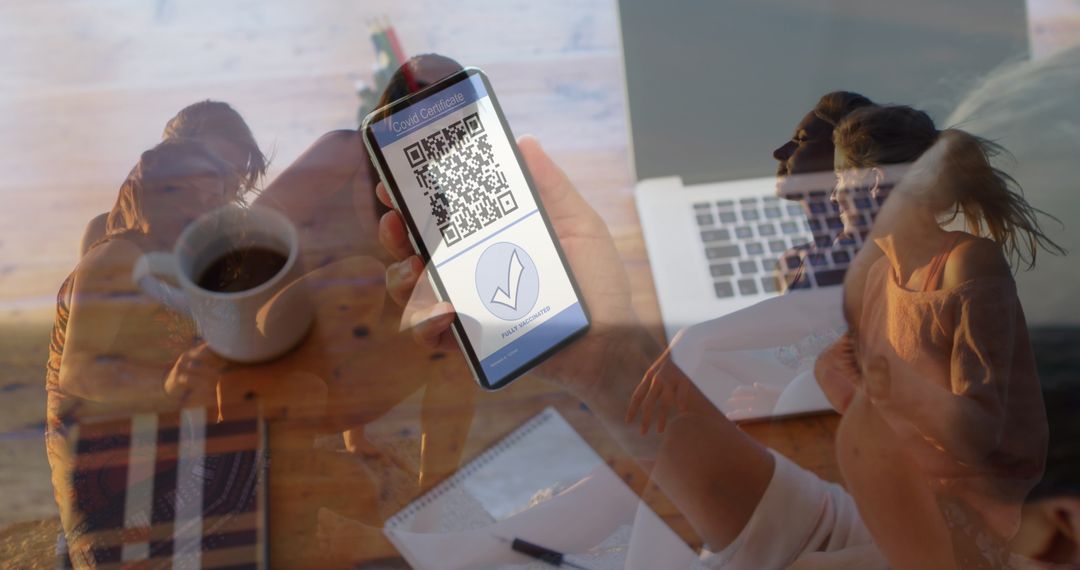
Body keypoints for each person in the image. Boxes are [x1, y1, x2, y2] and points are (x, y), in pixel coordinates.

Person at [378, 118, 1059, 566]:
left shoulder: (968, 276)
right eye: (841, 188)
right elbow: (814, 539)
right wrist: (609, 363)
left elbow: (975, 429)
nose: (840, 205)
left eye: (864, 192)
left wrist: (885, 395)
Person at [836, 105, 1059, 565]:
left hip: (975, 519)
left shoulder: (967, 262)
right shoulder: (879, 278)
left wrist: (892, 385)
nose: (832, 193)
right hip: (907, 496)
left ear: (872, 180)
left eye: (839, 177)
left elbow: (978, 436)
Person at [626, 92, 876, 425]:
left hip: (835, 408)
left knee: (688, 372)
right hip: (800, 391)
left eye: (801, 141)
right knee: (683, 372)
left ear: (840, 155)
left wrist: (697, 336)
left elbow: (810, 311)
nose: (780, 152)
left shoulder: (861, 249)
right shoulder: (795, 262)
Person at [78, 101, 267, 256]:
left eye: (237, 172)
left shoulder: (246, 238)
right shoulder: (105, 232)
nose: (224, 182)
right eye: (212, 165)